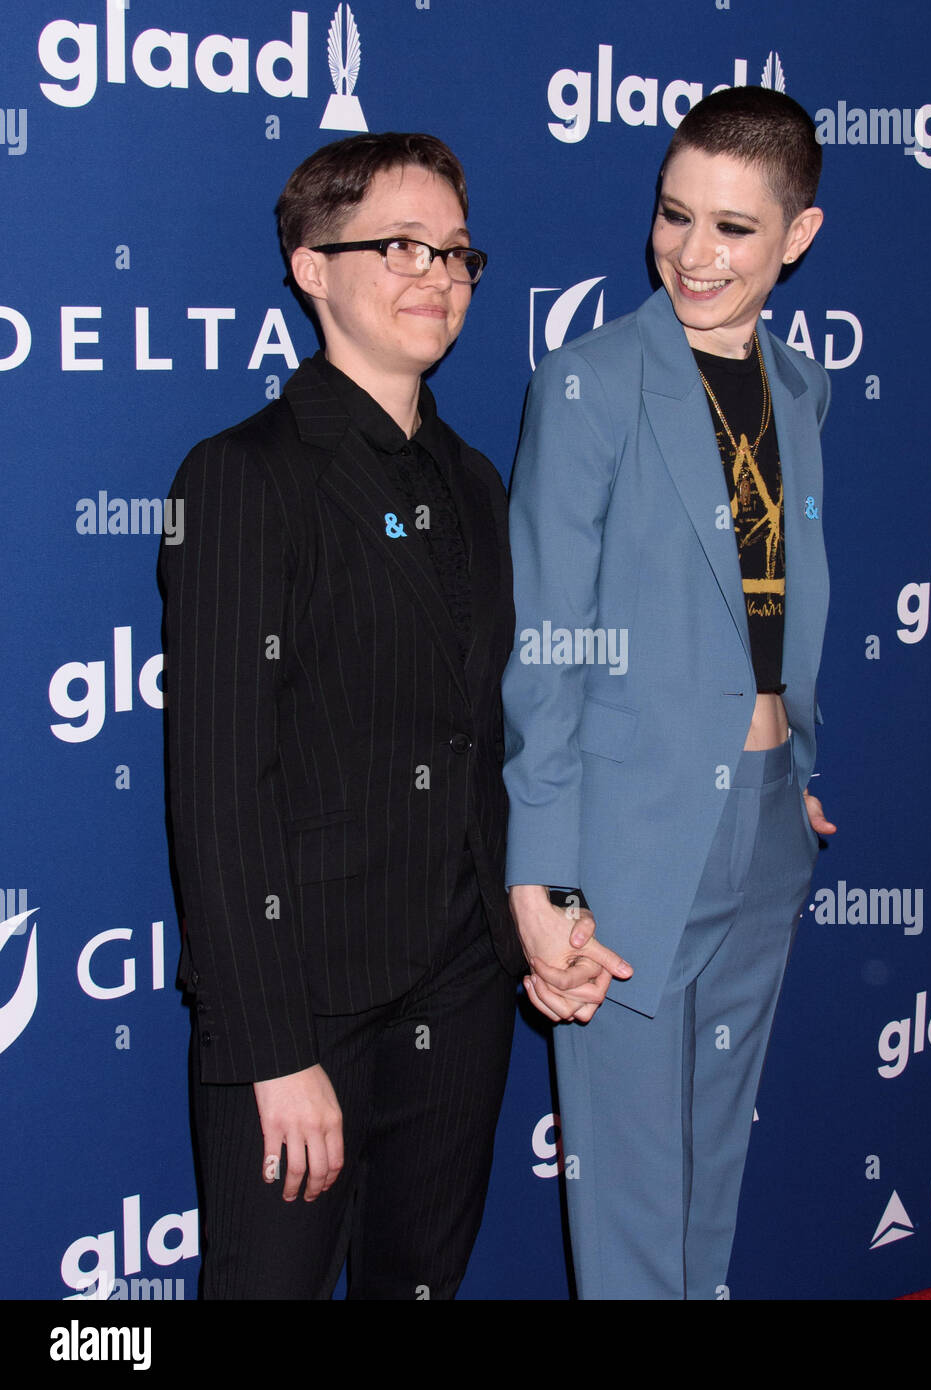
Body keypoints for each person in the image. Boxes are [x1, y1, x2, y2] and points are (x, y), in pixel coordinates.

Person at [160, 132, 521, 1299]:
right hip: (303, 1003)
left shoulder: (474, 483)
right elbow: (218, 790)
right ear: (312, 267)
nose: (439, 276)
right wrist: (274, 1054)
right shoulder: (240, 477)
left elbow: (490, 742)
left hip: (461, 988)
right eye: (401, 247)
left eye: (458, 253)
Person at [502, 85, 835, 1300]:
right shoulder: (588, 384)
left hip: (760, 821)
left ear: (795, 236)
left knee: (711, 1175)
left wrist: (789, 766)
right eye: (673, 215)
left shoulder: (802, 391)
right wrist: (543, 876)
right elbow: (547, 644)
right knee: (636, 1206)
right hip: (629, 837)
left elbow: (781, 599)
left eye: (735, 229)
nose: (693, 254)